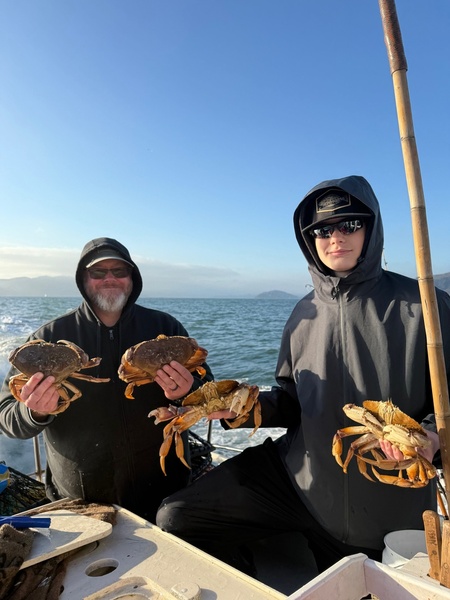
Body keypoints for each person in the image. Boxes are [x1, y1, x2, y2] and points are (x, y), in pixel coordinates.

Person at [156, 175, 450, 580]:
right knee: (177, 515)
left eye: (349, 224)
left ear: (372, 227)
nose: (335, 238)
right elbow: (291, 401)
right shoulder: (302, 314)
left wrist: (431, 437)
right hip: (298, 480)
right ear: (308, 239)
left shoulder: (426, 306)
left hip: (384, 511)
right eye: (322, 230)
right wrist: (237, 409)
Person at [0, 237, 213, 522]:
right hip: (81, 499)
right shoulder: (47, 338)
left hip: (165, 490)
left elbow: (209, 394)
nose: (109, 278)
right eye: (98, 272)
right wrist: (34, 412)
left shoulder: (166, 327)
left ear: (132, 278)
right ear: (83, 279)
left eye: (119, 271)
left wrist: (187, 392)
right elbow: (6, 417)